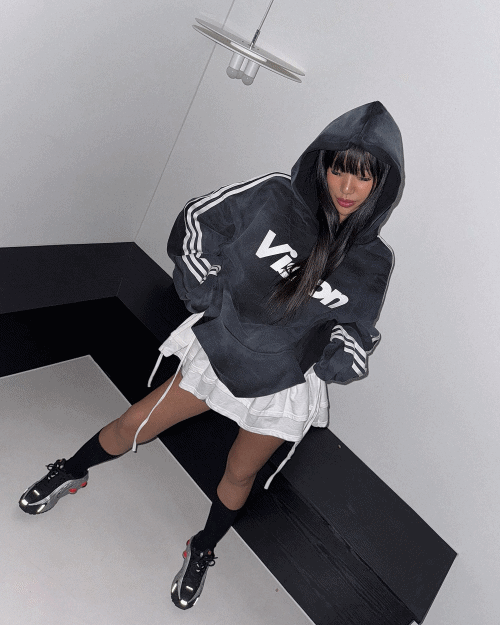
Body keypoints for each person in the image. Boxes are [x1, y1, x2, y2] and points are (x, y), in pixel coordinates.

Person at [18, 101, 404, 610]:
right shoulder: (274, 195)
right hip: (224, 346)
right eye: (340, 169)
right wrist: (207, 288)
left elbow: (358, 330)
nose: (347, 187)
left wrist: (342, 355)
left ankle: (202, 548)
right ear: (323, 163)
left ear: (382, 184)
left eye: (364, 176)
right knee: (137, 422)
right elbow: (199, 221)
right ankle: (72, 469)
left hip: (284, 382)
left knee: (240, 473)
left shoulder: (374, 261)